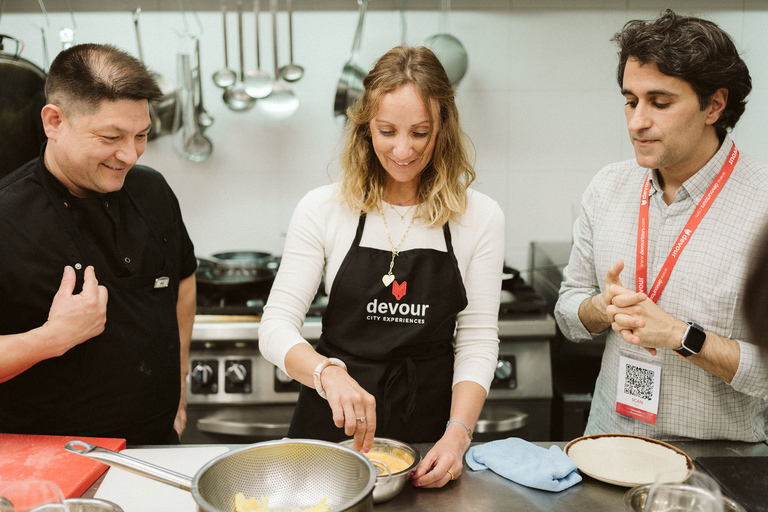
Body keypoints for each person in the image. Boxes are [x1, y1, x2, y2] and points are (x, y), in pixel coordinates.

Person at [258, 46, 504, 488]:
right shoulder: (324, 207)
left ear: (443, 129)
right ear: (364, 127)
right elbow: (275, 326)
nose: (403, 149)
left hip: (430, 432)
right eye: (387, 131)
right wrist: (326, 372)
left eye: (420, 133)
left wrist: (458, 434)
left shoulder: (480, 216)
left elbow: (478, 340)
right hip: (332, 426)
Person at [555, 9, 768, 441]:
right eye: (631, 101)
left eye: (660, 102)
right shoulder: (608, 186)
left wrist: (680, 335)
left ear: (714, 104)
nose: (637, 122)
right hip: (608, 443)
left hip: (719, 465)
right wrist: (601, 309)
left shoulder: (762, 204)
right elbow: (568, 308)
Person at [0, 43, 197, 445]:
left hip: (152, 447)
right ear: (54, 121)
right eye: (111, 136)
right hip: (49, 462)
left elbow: (183, 282)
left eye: (141, 135)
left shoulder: (152, 191)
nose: (129, 155)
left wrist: (179, 378)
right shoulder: (7, 217)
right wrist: (51, 338)